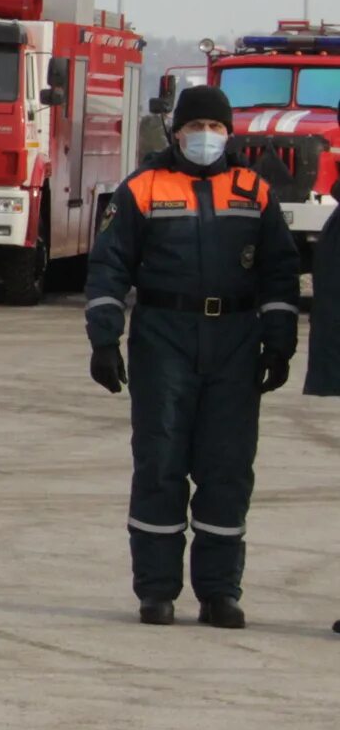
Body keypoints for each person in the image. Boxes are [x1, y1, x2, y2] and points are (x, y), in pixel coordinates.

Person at [90, 85, 297, 627]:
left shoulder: (254, 191)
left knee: (227, 469)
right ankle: (156, 592)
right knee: (160, 464)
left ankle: (219, 593)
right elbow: (108, 268)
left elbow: (279, 270)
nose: (206, 138)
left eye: (216, 129)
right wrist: (104, 339)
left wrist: (279, 339)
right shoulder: (141, 189)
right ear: (176, 132)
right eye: (195, 129)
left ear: (229, 135)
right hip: (165, 338)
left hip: (234, 340)